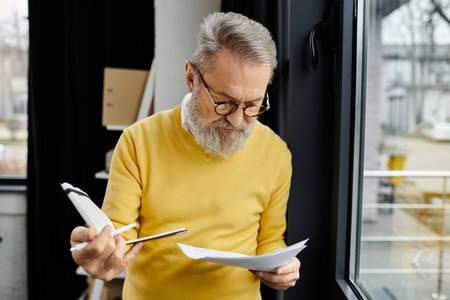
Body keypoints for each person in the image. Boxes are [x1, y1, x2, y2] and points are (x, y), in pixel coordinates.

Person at [70, 11, 300, 299]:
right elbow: (120, 233)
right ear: (192, 78)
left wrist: (282, 267)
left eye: (253, 105)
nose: (238, 121)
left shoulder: (275, 153)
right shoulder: (138, 141)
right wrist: (99, 249)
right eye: (224, 103)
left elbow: (270, 240)